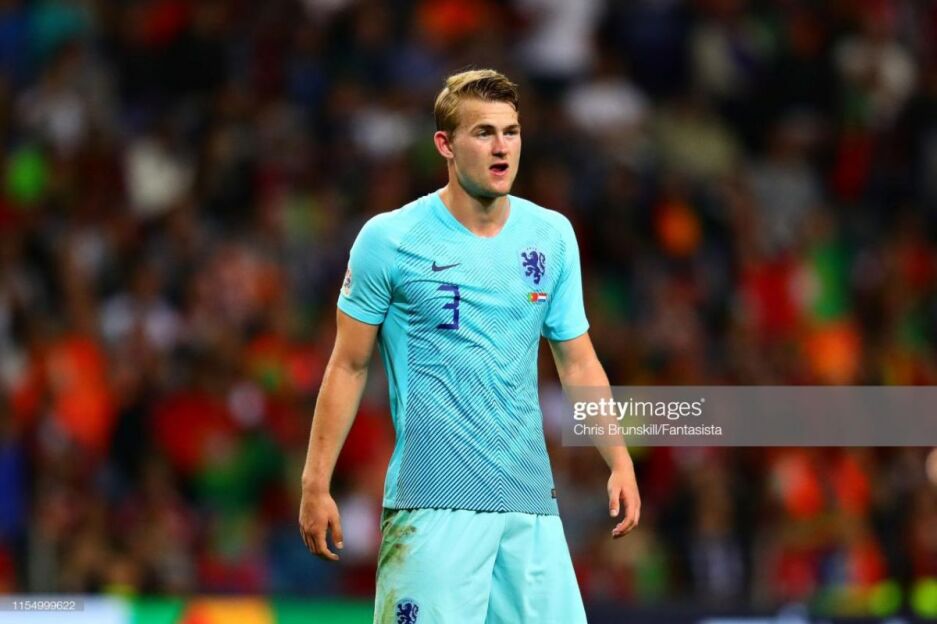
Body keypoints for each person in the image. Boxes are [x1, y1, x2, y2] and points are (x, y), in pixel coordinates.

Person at [298, 68, 640, 623]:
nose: (502, 147)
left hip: (530, 503)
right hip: (434, 505)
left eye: (511, 132)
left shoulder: (551, 235)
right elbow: (348, 365)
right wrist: (316, 483)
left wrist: (618, 460)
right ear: (446, 145)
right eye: (483, 132)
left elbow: (578, 361)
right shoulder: (390, 239)